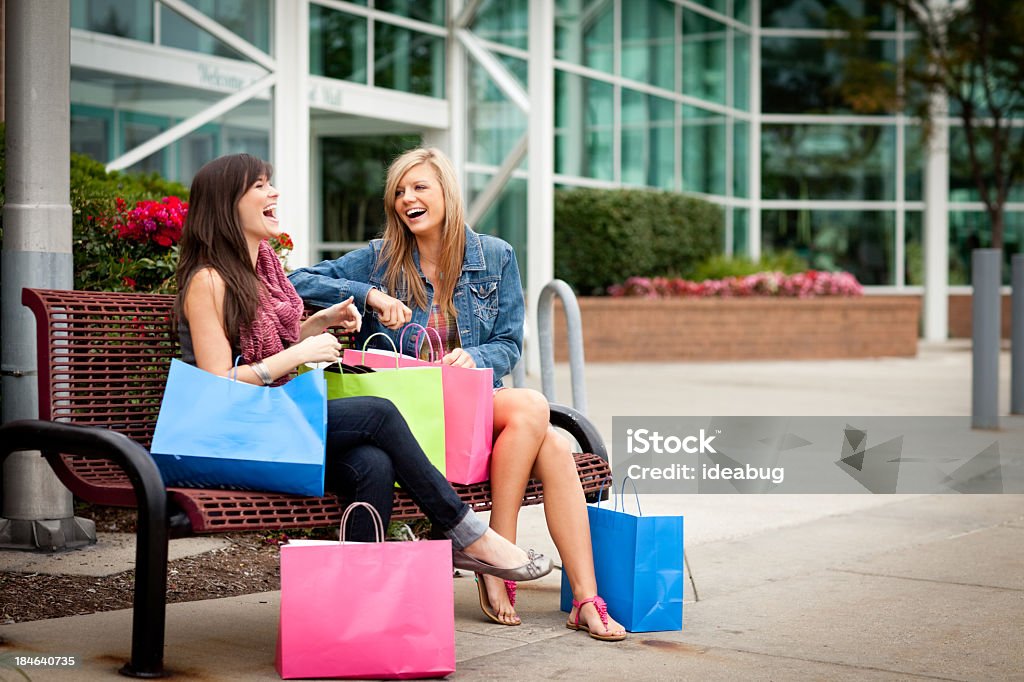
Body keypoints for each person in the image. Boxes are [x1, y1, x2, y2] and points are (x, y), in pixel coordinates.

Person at [289, 147, 626, 641]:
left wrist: (477, 357)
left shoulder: (495, 255)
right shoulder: (380, 260)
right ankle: (495, 557)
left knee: (552, 440)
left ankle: (582, 598)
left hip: (474, 408)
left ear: (447, 192)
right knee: (536, 412)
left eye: (420, 187)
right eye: (399, 192)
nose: (408, 199)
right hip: (412, 418)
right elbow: (298, 280)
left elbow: (509, 343)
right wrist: (371, 296)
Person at [174, 152, 551, 585]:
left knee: (373, 464)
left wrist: (322, 322)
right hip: (233, 431)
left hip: (272, 419)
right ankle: (467, 533)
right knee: (378, 411)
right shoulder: (208, 280)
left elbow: (280, 340)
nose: (273, 192)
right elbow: (219, 384)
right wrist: (300, 353)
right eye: (259, 186)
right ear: (227, 204)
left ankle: (358, 599)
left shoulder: (261, 271)